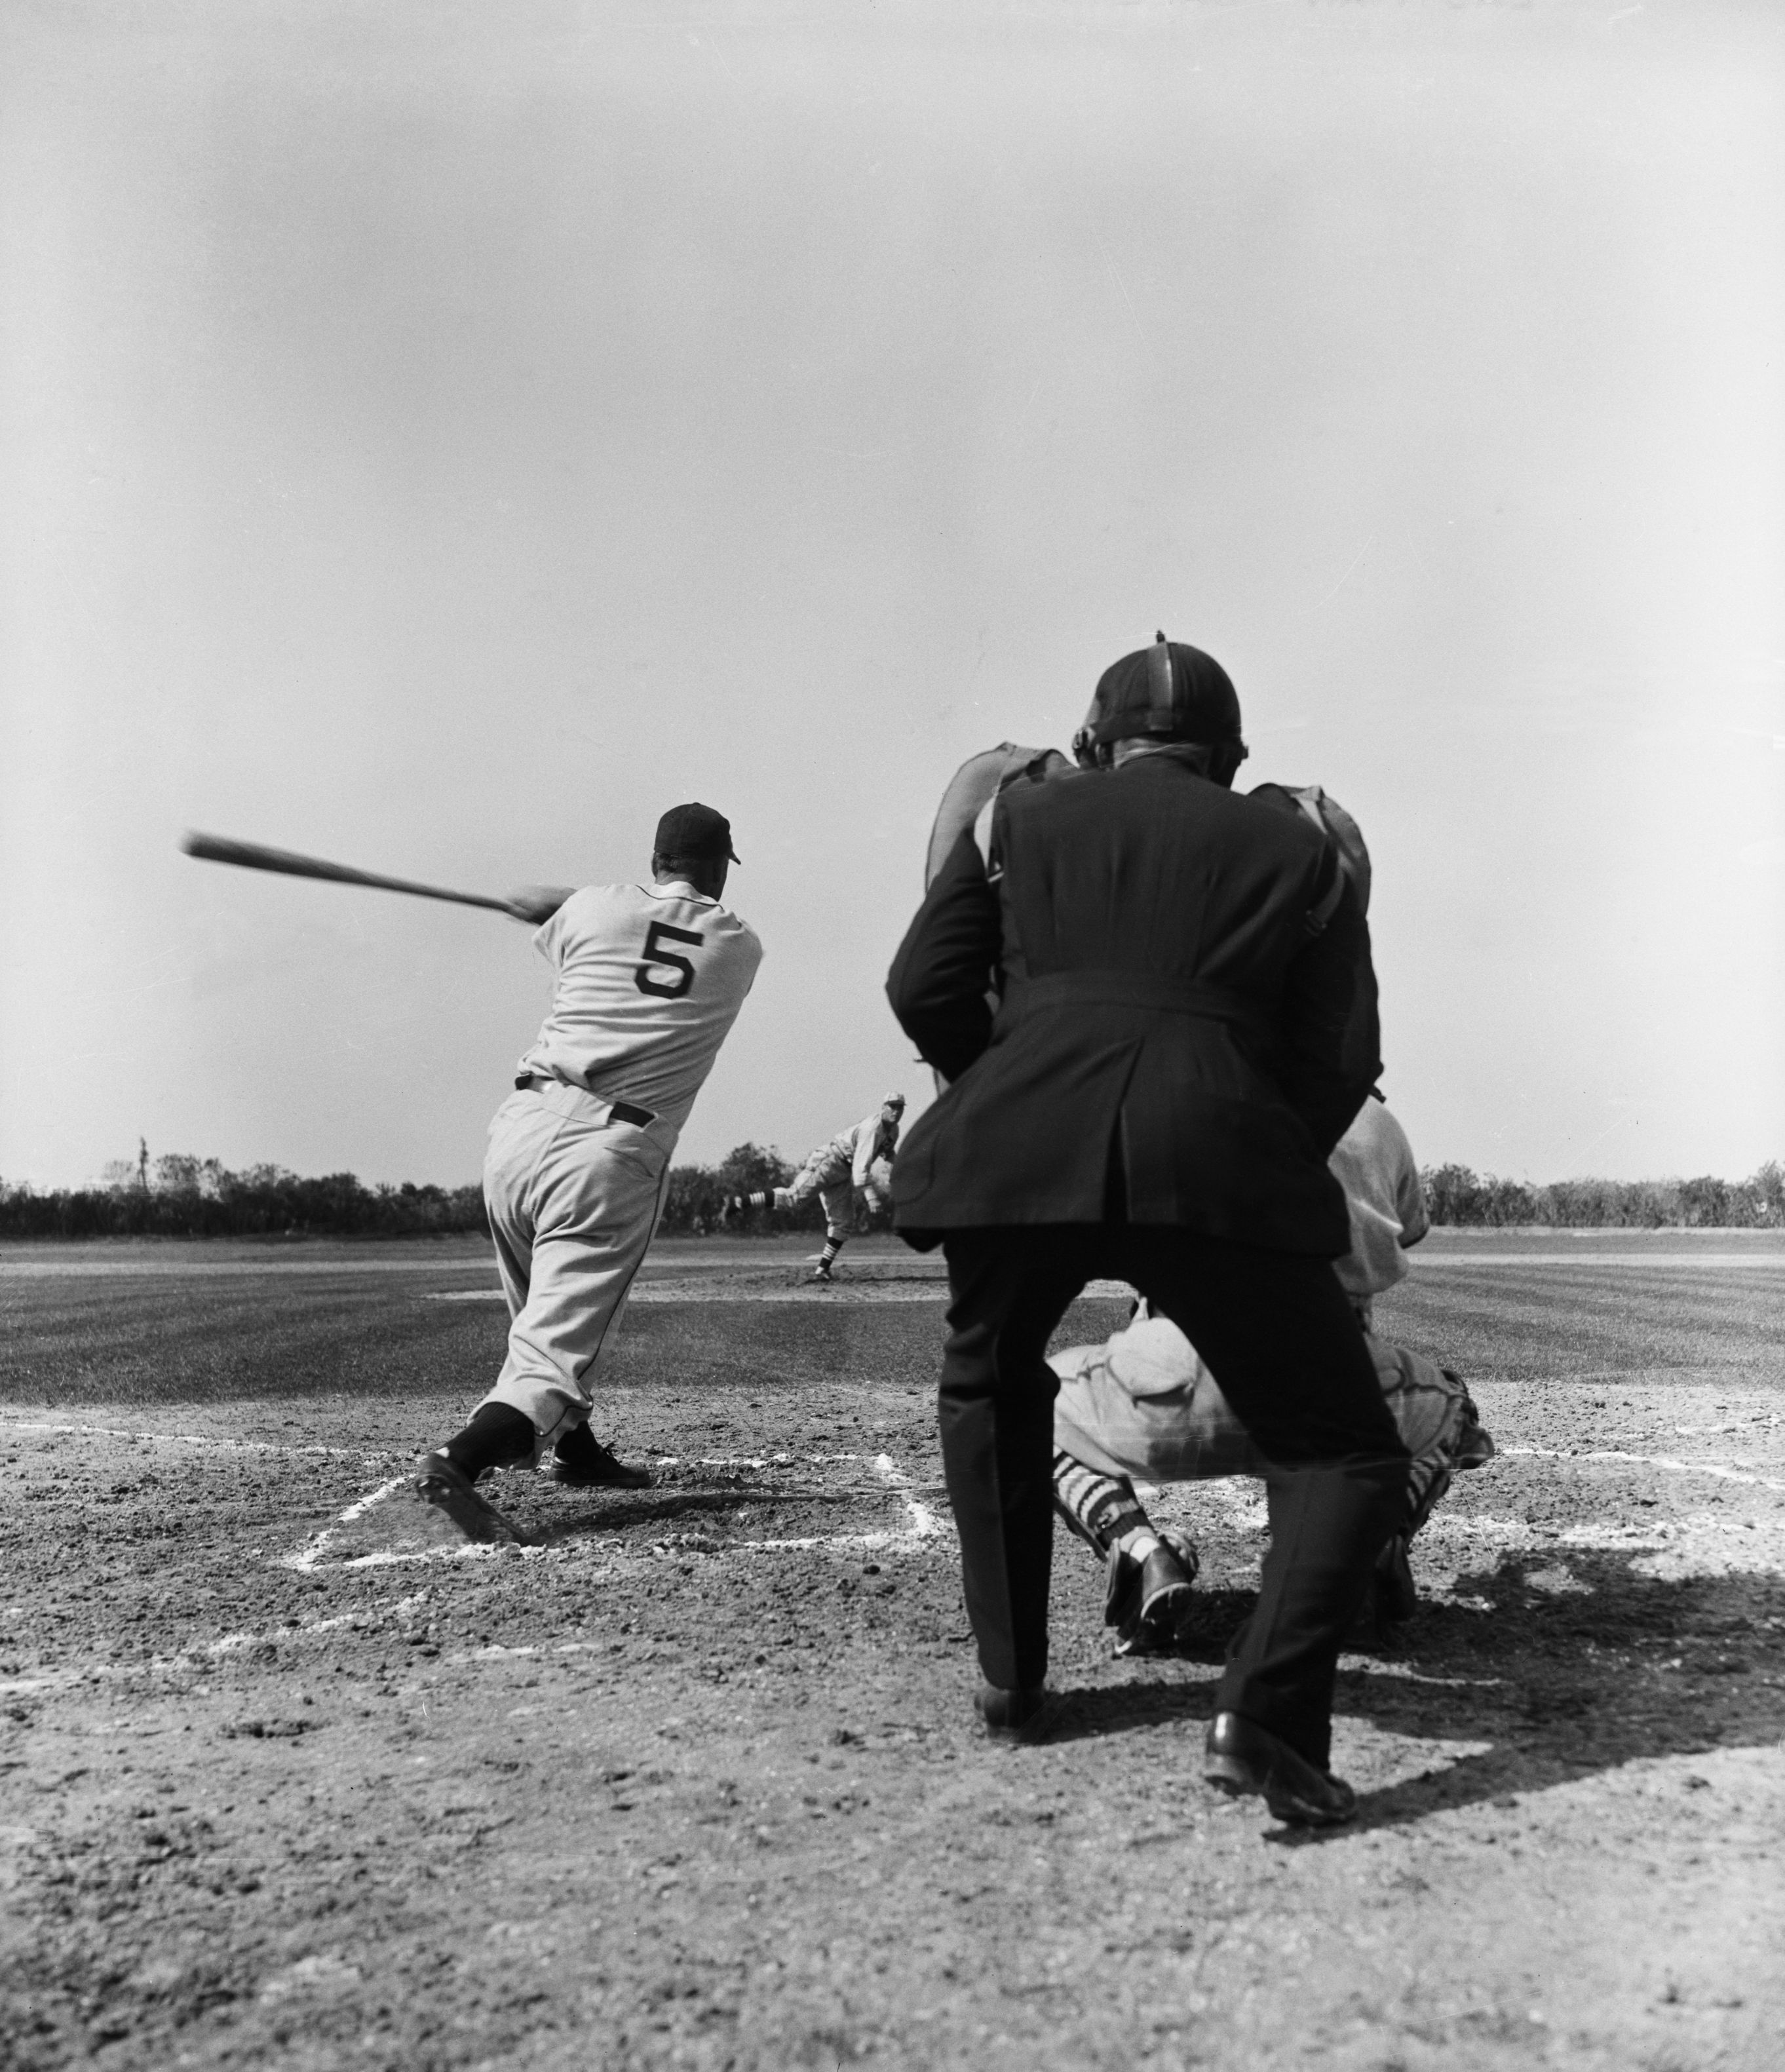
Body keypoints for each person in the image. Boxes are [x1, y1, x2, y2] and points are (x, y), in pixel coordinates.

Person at [885, 631, 1411, 1826]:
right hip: (1214, 1143)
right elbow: (1344, 1052)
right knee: (1345, 1450)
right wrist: (1247, 1132)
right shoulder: (1301, 842)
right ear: (1229, 756)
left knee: (986, 1379)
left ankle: (1011, 1678)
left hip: (1017, 1131)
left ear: (1095, 739)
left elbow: (922, 986)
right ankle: (1265, 1716)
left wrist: (1007, 1086)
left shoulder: (1013, 818)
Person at [416, 803, 763, 1544]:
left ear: (655, 860)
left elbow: (581, 910)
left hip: (517, 1134)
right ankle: (462, 1458)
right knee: (552, 1344)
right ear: (718, 868)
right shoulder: (738, 946)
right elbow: (658, 930)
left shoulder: (593, 908)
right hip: (609, 1153)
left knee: (538, 1315)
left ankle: (574, 1451)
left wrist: (558, 903)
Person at [1050, 1092, 1493, 1653]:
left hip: (1178, 1388)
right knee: (1452, 1406)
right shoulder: (1375, 1118)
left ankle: (1138, 1551)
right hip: (1333, 1398)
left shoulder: (1163, 1091)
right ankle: (1366, 1550)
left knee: (1024, 1399)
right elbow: (1407, 1232)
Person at [723, 1094, 905, 1282]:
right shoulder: (873, 1128)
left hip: (843, 1173)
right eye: (892, 1106)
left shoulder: (893, 1130)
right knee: (793, 1199)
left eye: (900, 1107)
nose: (896, 1111)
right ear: (883, 1107)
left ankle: (822, 1270)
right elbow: (861, 1164)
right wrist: (870, 1195)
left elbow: (886, 1152)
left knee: (843, 1222)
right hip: (830, 1161)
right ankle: (739, 1202)